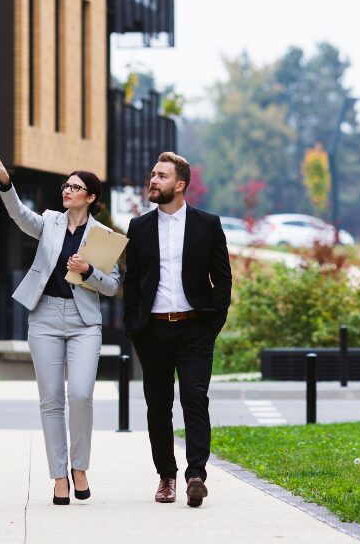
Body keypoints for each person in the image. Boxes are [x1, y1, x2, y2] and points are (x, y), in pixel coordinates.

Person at [0, 146, 121, 506]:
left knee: (80, 394)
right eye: (66, 185)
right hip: (44, 316)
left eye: (76, 187)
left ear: (90, 197)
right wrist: (5, 183)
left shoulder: (104, 235)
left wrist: (88, 271)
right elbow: (19, 215)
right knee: (50, 401)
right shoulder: (49, 222)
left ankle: (80, 467)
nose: (67, 190)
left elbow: (112, 286)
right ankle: (60, 476)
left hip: (84, 322)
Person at [123, 151, 232, 508]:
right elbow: (132, 280)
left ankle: (195, 475)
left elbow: (223, 277)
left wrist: (214, 322)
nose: (153, 181)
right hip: (152, 330)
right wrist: (133, 325)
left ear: (180, 185)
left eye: (161, 176)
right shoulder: (139, 227)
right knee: (158, 407)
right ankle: (166, 476)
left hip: (195, 328)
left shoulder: (208, 224)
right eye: (153, 175)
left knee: (195, 399)